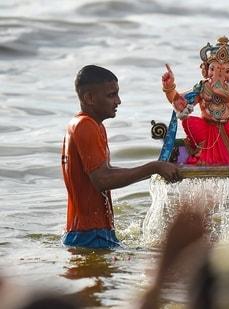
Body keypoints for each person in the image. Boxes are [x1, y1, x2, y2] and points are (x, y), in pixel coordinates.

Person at [61, 65, 181, 249]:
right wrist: (154, 168)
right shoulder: (86, 126)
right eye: (111, 95)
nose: (118, 101)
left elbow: (104, 172)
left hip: (89, 233)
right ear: (89, 98)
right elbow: (102, 180)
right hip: (90, 236)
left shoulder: (91, 124)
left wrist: (157, 168)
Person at [161, 36, 229, 166]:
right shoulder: (202, 88)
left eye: (225, 70)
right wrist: (169, 88)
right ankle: (199, 155)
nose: (218, 74)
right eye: (213, 69)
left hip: (228, 127)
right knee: (189, 122)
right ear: (206, 70)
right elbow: (179, 101)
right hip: (206, 127)